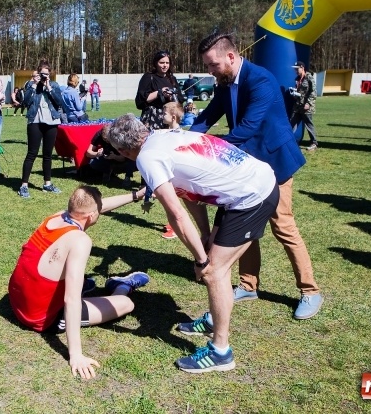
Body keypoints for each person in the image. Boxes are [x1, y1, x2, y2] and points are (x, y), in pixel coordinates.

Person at [108, 114, 280, 373]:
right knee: (216, 265)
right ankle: (213, 320)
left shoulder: (146, 158)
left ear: (123, 151)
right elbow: (187, 193)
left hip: (251, 196)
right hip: (243, 188)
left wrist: (201, 260)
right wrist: (205, 234)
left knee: (214, 272)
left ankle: (221, 352)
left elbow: (175, 214)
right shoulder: (162, 135)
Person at [189, 32, 323, 320]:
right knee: (243, 222)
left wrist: (208, 148)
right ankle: (248, 285)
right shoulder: (224, 83)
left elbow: (248, 128)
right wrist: (184, 142)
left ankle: (310, 291)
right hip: (247, 165)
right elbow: (206, 117)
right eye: (207, 66)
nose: (210, 71)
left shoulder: (261, 80)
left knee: (283, 226)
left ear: (231, 56)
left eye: (213, 65)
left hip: (275, 162)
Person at [8, 185, 150, 379]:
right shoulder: (80, 240)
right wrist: (76, 355)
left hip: (18, 304)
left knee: (80, 280)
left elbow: (97, 206)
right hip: (42, 317)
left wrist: (136, 195)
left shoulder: (56, 217)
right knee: (126, 304)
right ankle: (121, 286)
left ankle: (88, 286)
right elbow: (71, 299)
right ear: (91, 216)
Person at [19, 62, 64, 198]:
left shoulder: (54, 85)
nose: (44, 76)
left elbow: (60, 102)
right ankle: (24, 185)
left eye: (46, 74)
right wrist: (34, 86)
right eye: (42, 74)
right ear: (38, 74)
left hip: (51, 122)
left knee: (47, 154)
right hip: (35, 121)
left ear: (49, 74)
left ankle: (47, 183)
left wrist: (49, 87)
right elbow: (25, 102)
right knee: (32, 153)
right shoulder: (31, 85)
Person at [135, 50, 181, 130]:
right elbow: (141, 101)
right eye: (162, 63)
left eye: (167, 63)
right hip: (152, 119)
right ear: (156, 63)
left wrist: (171, 97)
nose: (165, 65)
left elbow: (179, 99)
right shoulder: (148, 77)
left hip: (169, 119)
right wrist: (160, 92)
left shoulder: (172, 79)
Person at [289, 61, 319, 151]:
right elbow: (300, 92)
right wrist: (294, 92)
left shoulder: (309, 77)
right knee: (292, 123)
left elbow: (313, 92)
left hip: (306, 106)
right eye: (295, 69)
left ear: (302, 68)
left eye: (297, 69)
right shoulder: (297, 79)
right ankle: (288, 141)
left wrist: (308, 103)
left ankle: (314, 143)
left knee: (309, 124)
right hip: (298, 106)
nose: (296, 71)